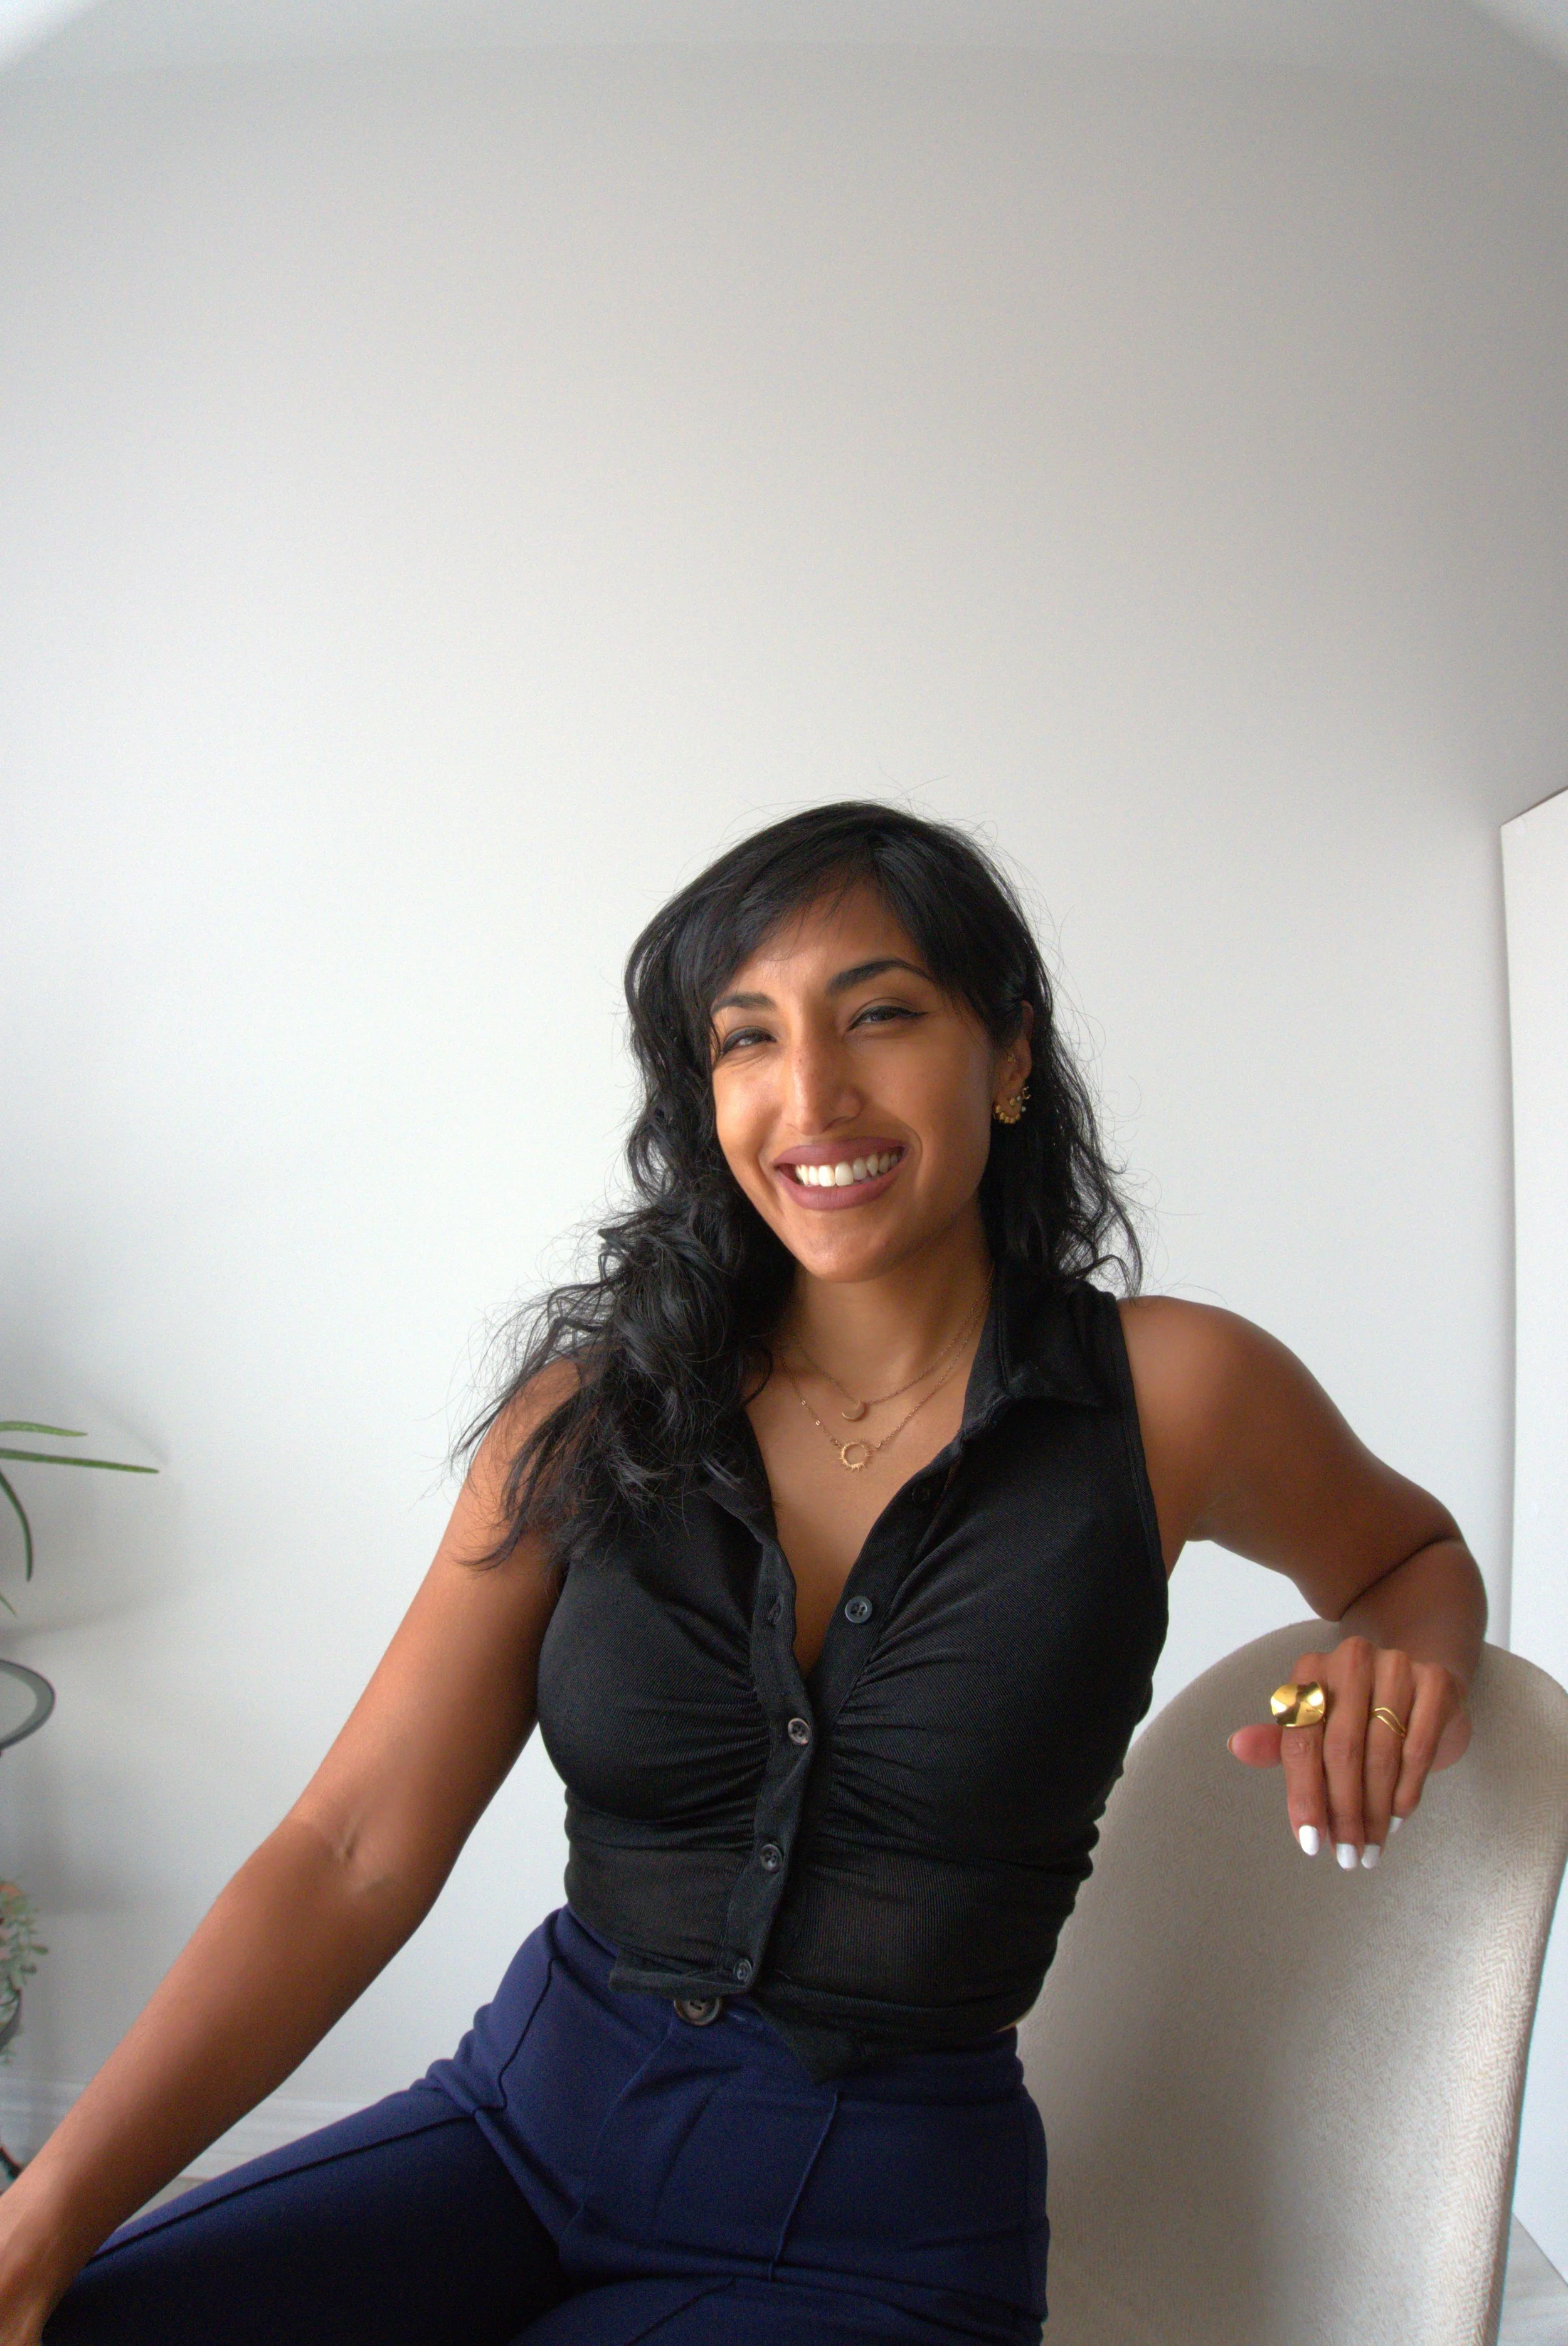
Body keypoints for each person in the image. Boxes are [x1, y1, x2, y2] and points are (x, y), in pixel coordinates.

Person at [1, 804, 1482, 2346]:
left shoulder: (1176, 1392)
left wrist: (1389, 1657)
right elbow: (352, 1845)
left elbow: (1409, 1561)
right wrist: (37, 2224)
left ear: (1012, 1053)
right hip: (517, 2130)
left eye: (881, 1014)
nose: (812, 1096)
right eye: (746, 1039)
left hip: (870, 2237)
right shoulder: (586, 1418)